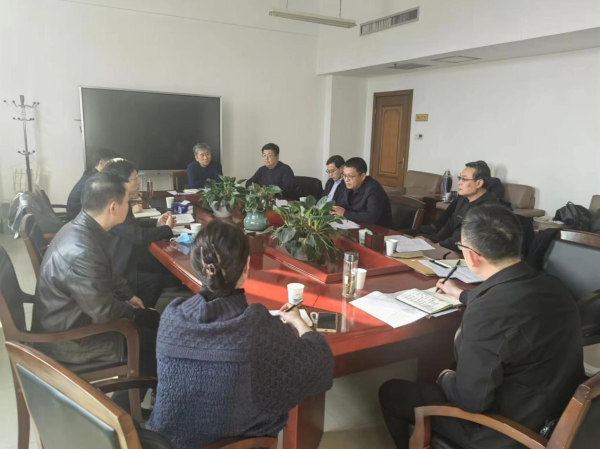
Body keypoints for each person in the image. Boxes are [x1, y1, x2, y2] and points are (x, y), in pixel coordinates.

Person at [379, 205, 584, 449]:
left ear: (471, 256)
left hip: (506, 431)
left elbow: (471, 401)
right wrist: (461, 294)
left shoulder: (487, 313)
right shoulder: (555, 286)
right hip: (556, 413)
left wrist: (445, 378)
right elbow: (512, 305)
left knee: (391, 392)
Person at [146, 220, 334, 448]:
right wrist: (299, 321)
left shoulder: (172, 316)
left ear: (197, 266)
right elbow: (321, 365)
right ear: (247, 266)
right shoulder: (256, 328)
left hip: (161, 443)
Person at [32, 172, 159, 381]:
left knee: (153, 319)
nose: (129, 207)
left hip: (72, 319)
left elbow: (106, 272)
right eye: (128, 202)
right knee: (157, 341)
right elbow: (103, 313)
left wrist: (128, 295)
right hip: (70, 341)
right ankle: (131, 396)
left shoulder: (82, 227)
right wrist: (129, 310)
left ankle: (144, 384)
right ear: (113, 207)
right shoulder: (83, 250)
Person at [102, 158, 176, 308]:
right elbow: (139, 236)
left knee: (160, 268)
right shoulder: (114, 206)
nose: (139, 182)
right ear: (121, 182)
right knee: (155, 279)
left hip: (124, 259)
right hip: (120, 268)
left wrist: (156, 223)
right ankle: (142, 313)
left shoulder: (117, 199)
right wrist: (166, 229)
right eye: (135, 178)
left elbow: (132, 225)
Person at [418, 161, 499, 251]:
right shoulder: (463, 200)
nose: (459, 183)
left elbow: (466, 241)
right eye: (460, 178)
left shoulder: (488, 208)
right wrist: (430, 240)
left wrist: (436, 245)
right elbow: (449, 227)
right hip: (450, 247)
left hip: (467, 253)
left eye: (464, 179)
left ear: (479, 183)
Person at [331, 157, 393, 228]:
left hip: (378, 231)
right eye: (344, 175)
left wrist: (345, 214)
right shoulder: (349, 186)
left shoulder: (374, 189)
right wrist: (333, 210)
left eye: (350, 176)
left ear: (362, 176)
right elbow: (342, 205)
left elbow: (371, 217)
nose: (346, 180)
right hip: (356, 226)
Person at [66, 148, 119, 220]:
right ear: (102, 163)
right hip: (80, 219)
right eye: (113, 165)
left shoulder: (91, 175)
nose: (115, 169)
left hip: (79, 217)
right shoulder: (95, 181)